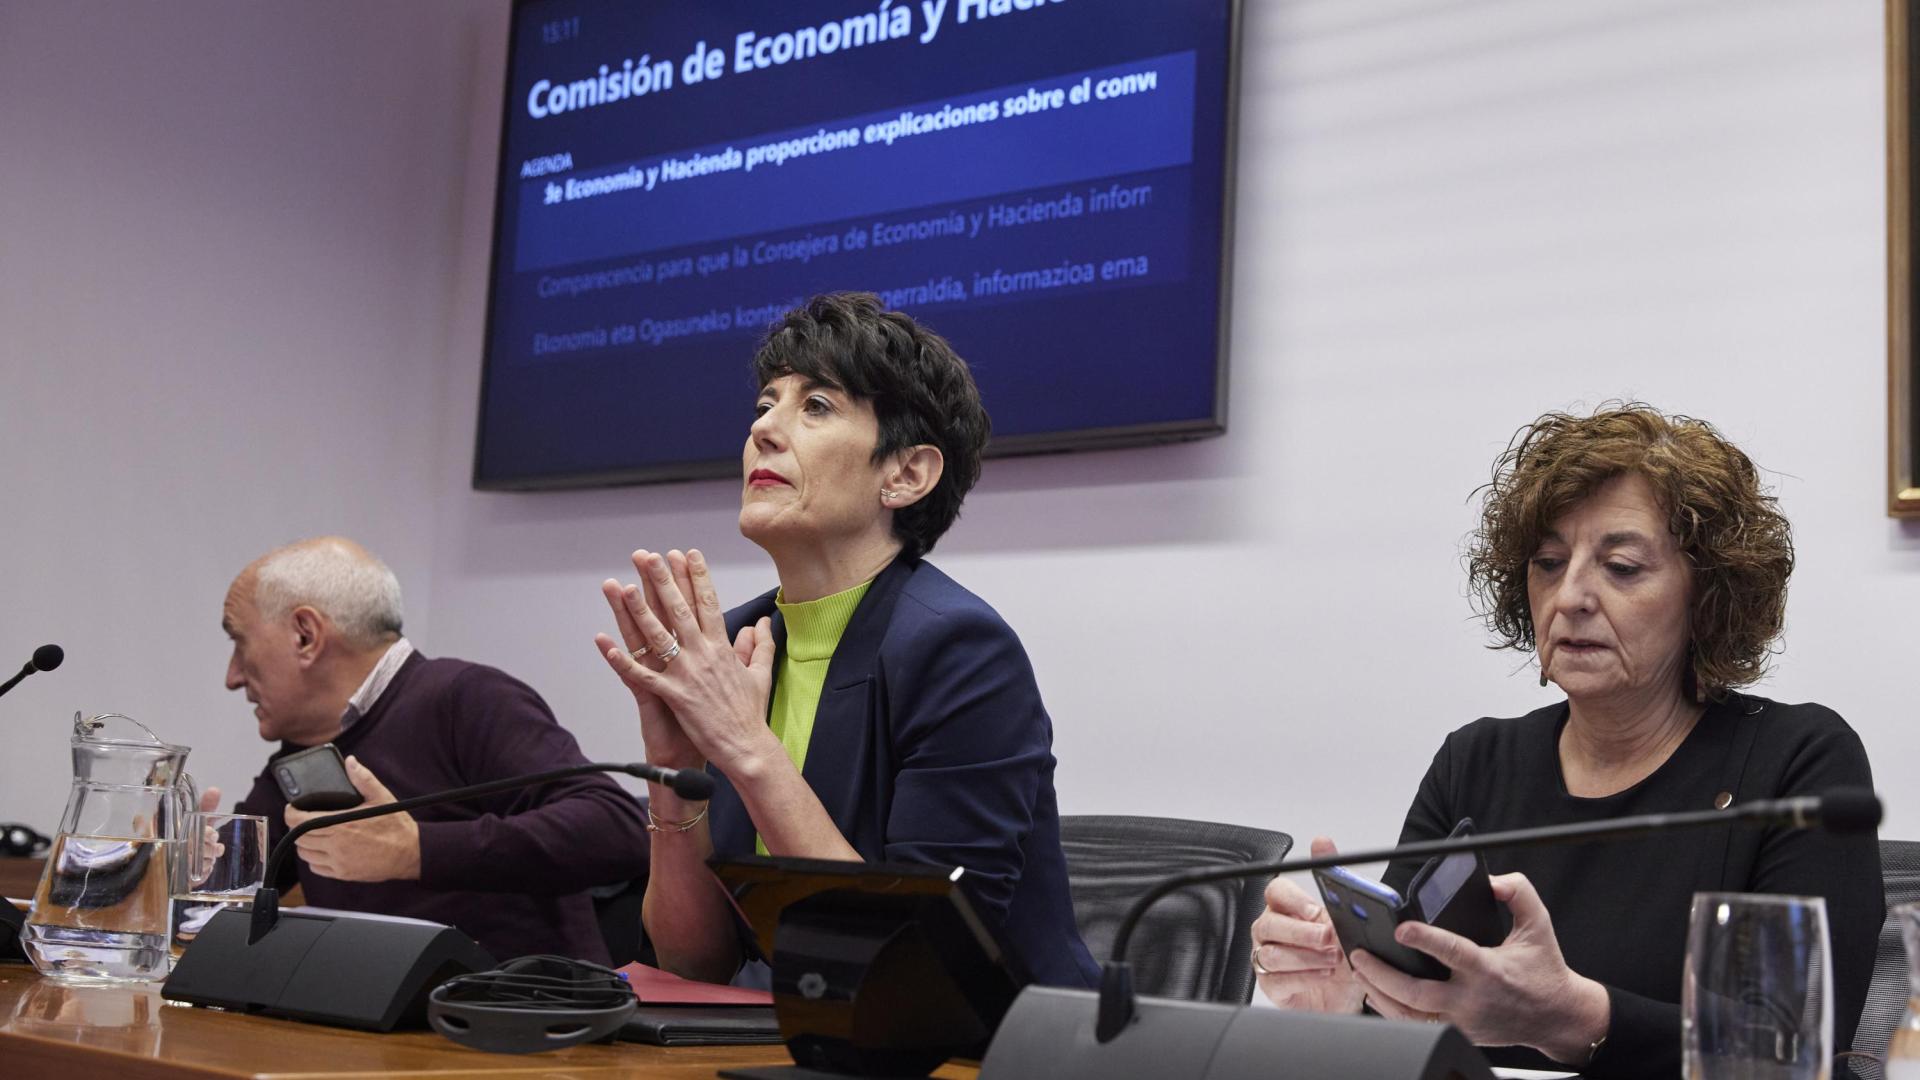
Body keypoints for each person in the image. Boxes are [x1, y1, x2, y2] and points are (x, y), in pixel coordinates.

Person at [1251, 405, 1883, 1075]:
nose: (1571, 595)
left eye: (1622, 567)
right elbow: (1418, 1006)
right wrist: (1352, 1001)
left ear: (1708, 596)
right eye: (1549, 563)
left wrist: (1578, 1020)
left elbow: (1784, 1053)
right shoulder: (1476, 762)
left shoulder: (1796, 765)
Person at [593, 292, 1097, 988]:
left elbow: (916, 963)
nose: (765, 429)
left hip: (984, 1048)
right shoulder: (739, 640)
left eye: (816, 406)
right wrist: (675, 778)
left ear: (906, 475)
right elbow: (694, 963)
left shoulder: (960, 651)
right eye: (765, 405)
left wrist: (745, 746)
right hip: (794, 1032)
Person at [223, 536, 650, 963]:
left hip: (518, 1013)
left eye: (239, 643)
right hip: (364, 1018)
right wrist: (184, 848)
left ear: (305, 635)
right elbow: (232, 886)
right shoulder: (304, 750)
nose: (233, 676)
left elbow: (616, 827)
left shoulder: (467, 698)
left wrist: (417, 849)